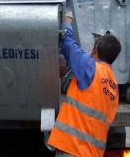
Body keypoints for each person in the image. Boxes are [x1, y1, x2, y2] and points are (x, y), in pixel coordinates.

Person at [47, 14, 121, 157]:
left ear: (95, 50)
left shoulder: (91, 68)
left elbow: (67, 43)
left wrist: (68, 22)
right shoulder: (113, 85)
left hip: (73, 149)